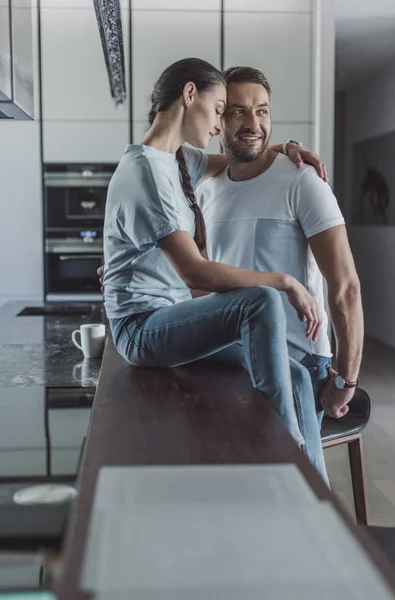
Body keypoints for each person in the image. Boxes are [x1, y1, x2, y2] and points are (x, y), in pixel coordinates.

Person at [101, 57, 329, 479]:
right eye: (221, 109)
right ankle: (283, 446)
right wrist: (285, 281)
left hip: (167, 319)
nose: (222, 123)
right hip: (142, 329)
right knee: (259, 300)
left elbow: (238, 160)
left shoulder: (176, 160)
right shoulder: (145, 172)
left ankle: (318, 496)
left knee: (297, 376)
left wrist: (286, 147)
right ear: (190, 95)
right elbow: (195, 273)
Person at [193, 66, 364, 481]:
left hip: (299, 360)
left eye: (262, 111)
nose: (253, 124)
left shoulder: (302, 181)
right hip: (233, 357)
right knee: (243, 482)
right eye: (238, 112)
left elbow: (345, 290)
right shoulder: (207, 186)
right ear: (218, 119)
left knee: (296, 484)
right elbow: (199, 268)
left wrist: (346, 378)